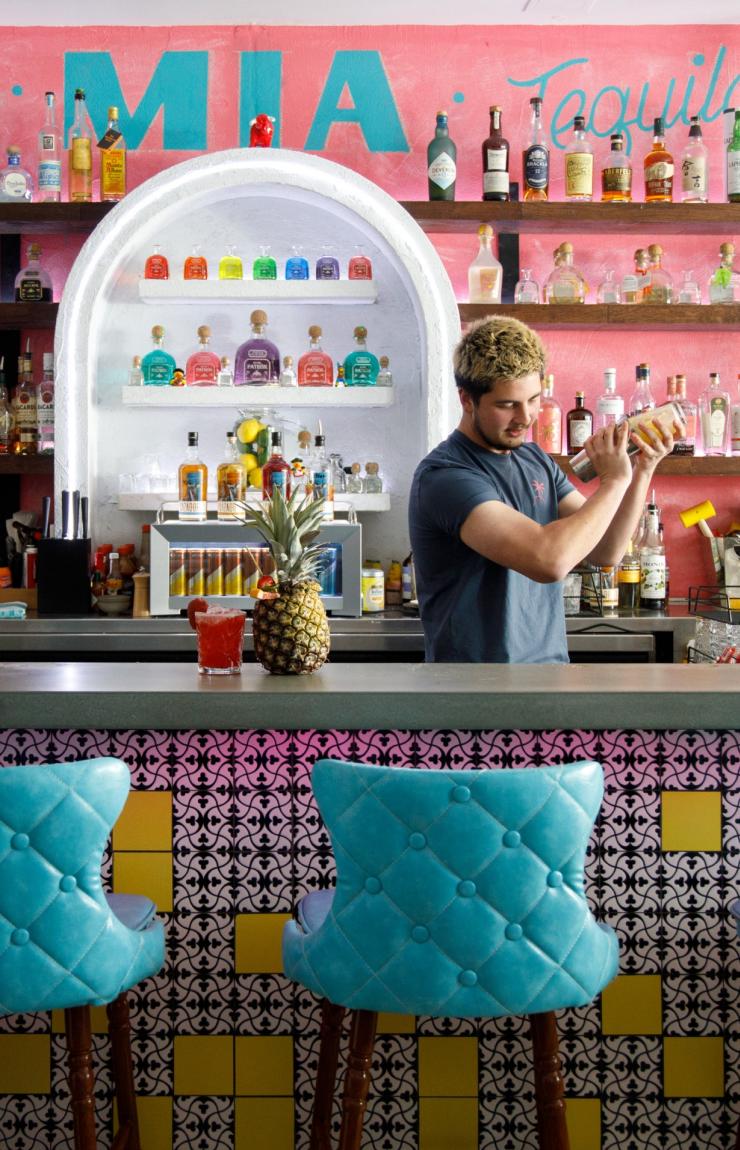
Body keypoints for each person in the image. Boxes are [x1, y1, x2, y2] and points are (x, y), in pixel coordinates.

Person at [408, 315, 680, 663]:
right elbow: (548, 560)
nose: (525, 417)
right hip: (475, 686)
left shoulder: (535, 460)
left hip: (548, 677)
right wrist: (614, 481)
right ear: (467, 400)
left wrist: (642, 469)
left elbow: (606, 550)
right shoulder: (445, 476)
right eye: (507, 404)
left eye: (533, 399)